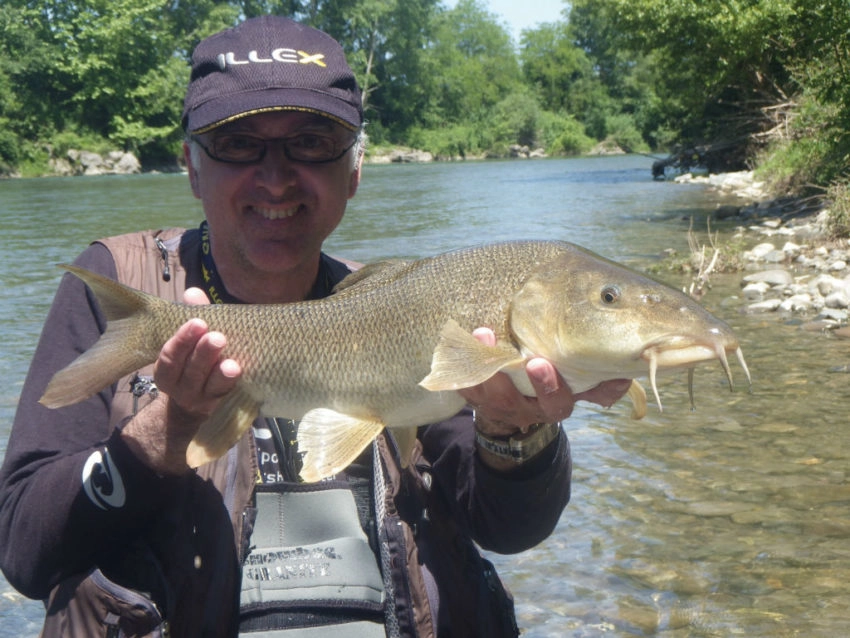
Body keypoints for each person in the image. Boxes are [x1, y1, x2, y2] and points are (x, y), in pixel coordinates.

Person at [0, 15, 629, 638]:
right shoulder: (121, 283)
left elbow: (508, 528)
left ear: (354, 170)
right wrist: (164, 433)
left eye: (311, 142)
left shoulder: (404, 303)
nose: (275, 178)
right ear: (192, 167)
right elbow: (25, 548)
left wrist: (513, 431)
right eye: (239, 143)